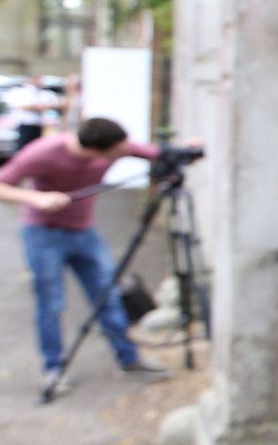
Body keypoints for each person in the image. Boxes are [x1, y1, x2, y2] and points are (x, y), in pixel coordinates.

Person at [0, 116, 174, 392]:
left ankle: (129, 359)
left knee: (107, 294)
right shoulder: (44, 152)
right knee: (51, 302)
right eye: (117, 151)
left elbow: (155, 153)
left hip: (84, 233)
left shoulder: (116, 146)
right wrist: (36, 199)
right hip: (43, 233)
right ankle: (53, 369)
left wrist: (184, 151)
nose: (125, 151)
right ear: (97, 151)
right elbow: (3, 184)